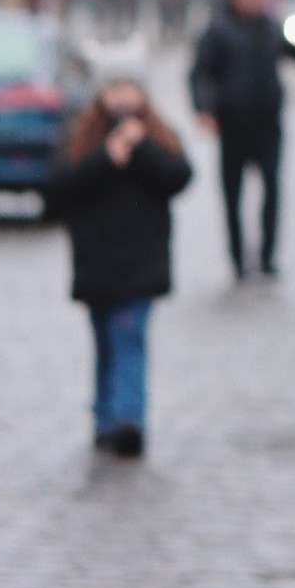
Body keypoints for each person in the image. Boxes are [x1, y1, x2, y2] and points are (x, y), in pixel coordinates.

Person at [42, 80, 193, 458]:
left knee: (129, 337)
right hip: (96, 261)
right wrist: (106, 156)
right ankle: (105, 417)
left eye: (130, 89)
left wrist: (141, 148)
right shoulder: (81, 136)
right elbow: (62, 185)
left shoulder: (156, 135)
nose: (123, 99)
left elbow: (178, 176)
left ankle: (129, 420)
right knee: (105, 341)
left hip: (141, 262)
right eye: (115, 89)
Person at [189, 0, 295, 281]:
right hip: (232, 126)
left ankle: (268, 256)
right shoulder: (218, 31)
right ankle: (237, 260)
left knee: (272, 188)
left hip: (267, 124)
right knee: (232, 196)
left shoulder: (271, 28)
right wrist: (204, 109)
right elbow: (199, 74)